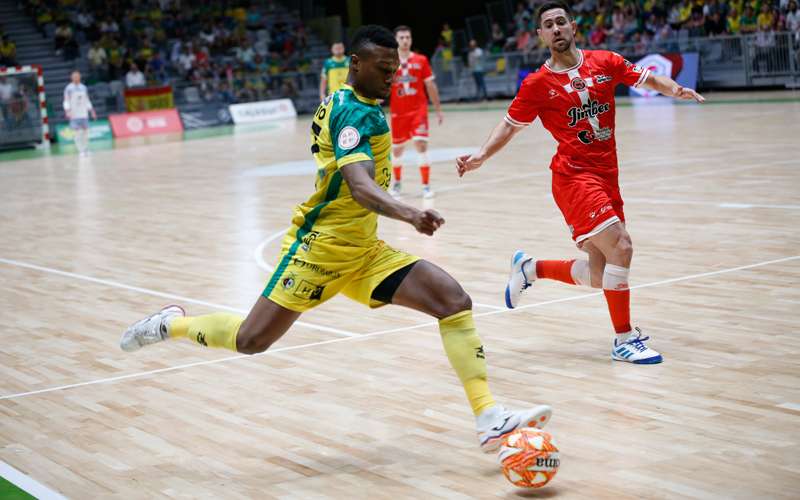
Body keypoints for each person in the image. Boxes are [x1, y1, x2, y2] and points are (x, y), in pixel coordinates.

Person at [120, 24, 552, 452]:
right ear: (356, 64)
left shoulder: (354, 101)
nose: (392, 77)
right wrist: (411, 213)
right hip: (320, 249)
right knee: (251, 340)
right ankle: (169, 325)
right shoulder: (352, 112)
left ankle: (489, 418)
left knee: (452, 300)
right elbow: (361, 187)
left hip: (363, 250)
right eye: (384, 69)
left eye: (395, 69)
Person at [456, 1, 704, 365]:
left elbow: (647, 78)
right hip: (572, 177)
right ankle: (623, 339)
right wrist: (481, 155)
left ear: (572, 26)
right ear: (540, 35)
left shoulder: (605, 61)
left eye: (561, 22)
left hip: (607, 175)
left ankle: (531, 269)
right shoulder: (538, 84)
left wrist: (674, 88)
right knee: (621, 246)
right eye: (548, 25)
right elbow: (510, 124)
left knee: (600, 272)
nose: (556, 29)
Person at [388, 25, 443, 199]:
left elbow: (430, 85)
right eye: (401, 38)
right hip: (398, 113)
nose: (405, 40)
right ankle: (396, 184)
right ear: (396, 40)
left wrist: (438, 109)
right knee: (397, 151)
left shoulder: (421, 60)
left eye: (407, 37)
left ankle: (426, 186)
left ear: (411, 40)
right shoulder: (389, 62)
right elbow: (382, 86)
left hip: (418, 111)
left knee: (421, 145)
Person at [63, 70, 97, 156]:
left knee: (86, 133)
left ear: (80, 77)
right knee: (77, 133)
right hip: (74, 114)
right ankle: (80, 150)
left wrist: (92, 111)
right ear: (71, 78)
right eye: (74, 76)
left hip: (83, 113)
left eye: (77, 76)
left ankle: (86, 149)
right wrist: (67, 111)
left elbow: (87, 100)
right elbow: (66, 100)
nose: (76, 78)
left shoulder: (84, 87)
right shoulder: (68, 88)